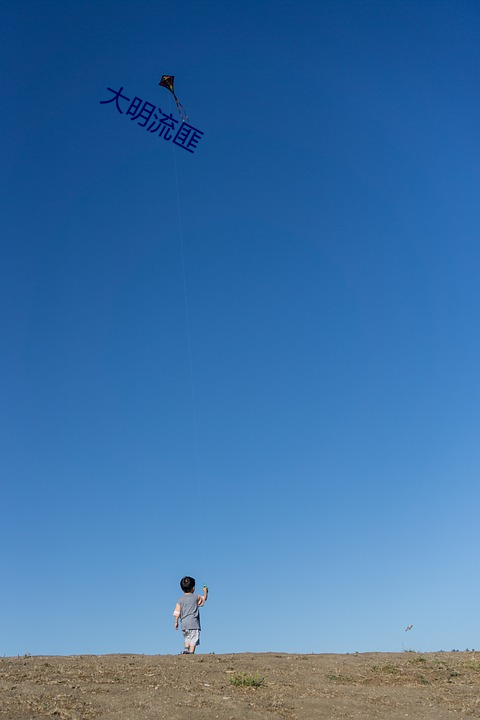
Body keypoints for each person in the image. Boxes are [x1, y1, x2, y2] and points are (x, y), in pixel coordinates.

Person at [173, 576, 208, 654]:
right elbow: (204, 599)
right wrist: (205, 591)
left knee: (187, 637)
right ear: (193, 588)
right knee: (193, 639)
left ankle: (186, 649)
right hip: (193, 623)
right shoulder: (196, 597)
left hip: (184, 624)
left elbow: (177, 611)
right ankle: (191, 653)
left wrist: (176, 622)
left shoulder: (180, 600)